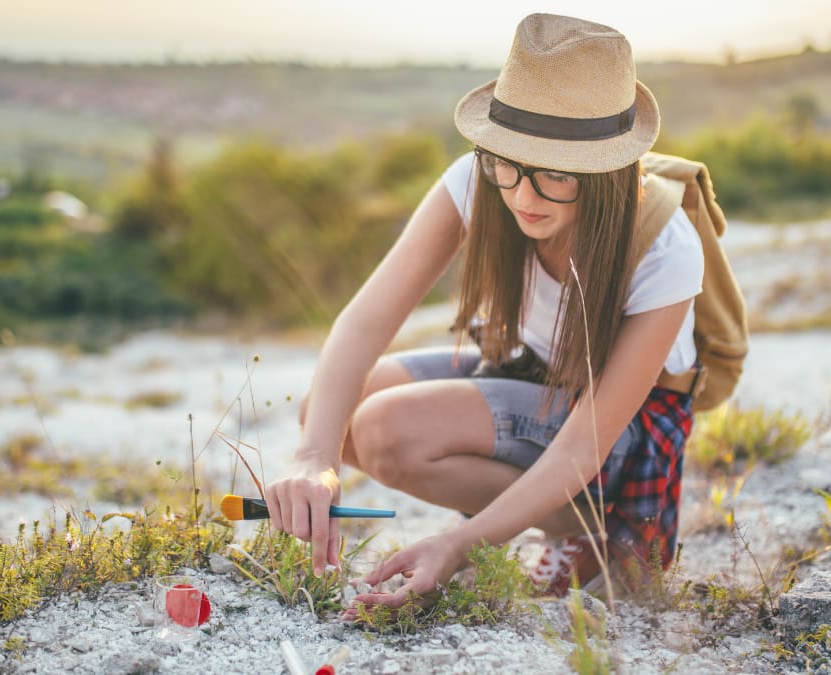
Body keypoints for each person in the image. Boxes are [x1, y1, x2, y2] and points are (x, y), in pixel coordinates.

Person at [264, 13, 704, 609]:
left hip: (620, 430)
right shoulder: (476, 181)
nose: (523, 196)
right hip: (535, 369)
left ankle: (582, 530)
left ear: (605, 170)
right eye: (510, 163)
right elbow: (366, 320)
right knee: (330, 412)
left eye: (555, 173)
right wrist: (314, 459)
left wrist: (461, 544)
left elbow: (584, 447)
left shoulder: (667, 248)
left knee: (385, 429)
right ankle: (541, 516)